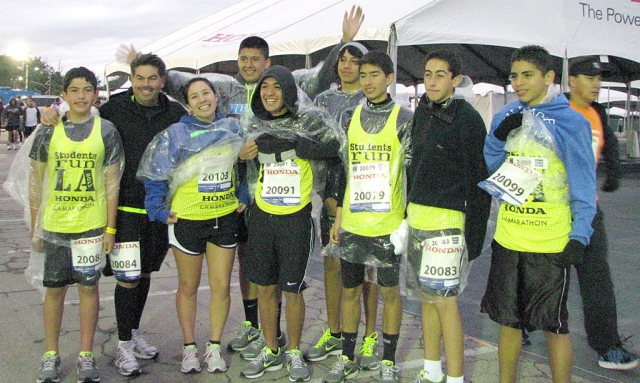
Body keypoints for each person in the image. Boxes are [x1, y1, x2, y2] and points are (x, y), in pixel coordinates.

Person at [42, 53, 187, 377]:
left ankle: (133, 333)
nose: (146, 84)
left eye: (153, 78)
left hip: (158, 208)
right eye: (140, 78)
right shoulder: (113, 109)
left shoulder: (175, 112)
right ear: (131, 79)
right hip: (123, 210)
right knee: (127, 278)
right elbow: (79, 114)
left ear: (162, 81)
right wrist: (53, 113)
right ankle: (122, 345)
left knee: (146, 273)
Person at [481, 45, 596, 383]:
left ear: (549, 77)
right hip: (509, 236)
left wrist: (580, 234)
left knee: (554, 326)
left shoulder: (571, 121)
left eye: (527, 75)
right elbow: (492, 166)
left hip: (551, 241)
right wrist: (498, 139)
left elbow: (583, 183)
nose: (518, 82)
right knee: (508, 322)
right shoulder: (506, 115)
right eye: (514, 75)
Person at [239, 65, 342, 381]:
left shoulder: (307, 122)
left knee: (292, 289)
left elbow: (335, 146)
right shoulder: (252, 125)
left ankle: (294, 352)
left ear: (288, 91)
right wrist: (241, 155)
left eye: (276, 87)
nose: (269, 92)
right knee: (266, 289)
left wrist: (299, 144)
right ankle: (271, 350)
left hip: (296, 219)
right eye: (264, 87)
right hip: (261, 217)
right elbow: (233, 160)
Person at [137, 77, 247, 374]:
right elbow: (156, 173)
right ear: (188, 104)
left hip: (224, 217)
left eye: (206, 93)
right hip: (188, 219)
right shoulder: (176, 133)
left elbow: (245, 166)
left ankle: (213, 346)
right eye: (195, 96)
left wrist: (244, 194)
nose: (202, 100)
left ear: (215, 96)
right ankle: (189, 348)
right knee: (188, 287)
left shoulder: (233, 127)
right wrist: (157, 208)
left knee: (222, 286)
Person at [28, 67, 124, 383]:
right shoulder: (48, 130)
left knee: (88, 288)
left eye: (87, 90)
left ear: (95, 94)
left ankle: (86, 356)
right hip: (54, 224)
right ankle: (51, 356)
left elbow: (112, 182)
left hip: (90, 225)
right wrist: (35, 226)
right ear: (65, 94)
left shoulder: (106, 130)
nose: (81, 96)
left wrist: (109, 228)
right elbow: (35, 179)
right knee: (53, 291)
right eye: (75, 90)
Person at [327, 50, 413, 383]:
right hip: (353, 224)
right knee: (349, 291)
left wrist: (408, 219)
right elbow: (343, 170)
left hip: (389, 225)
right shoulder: (350, 116)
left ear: (390, 78)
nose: (368, 82)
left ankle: (387, 360)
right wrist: (337, 217)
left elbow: (413, 170)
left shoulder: (404, 118)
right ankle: (347, 356)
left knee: (390, 292)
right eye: (363, 76)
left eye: (375, 75)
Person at [406, 51, 491, 383]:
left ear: (456, 81)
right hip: (417, 220)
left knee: (445, 304)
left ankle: (455, 378)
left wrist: (474, 237)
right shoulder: (421, 114)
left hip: (447, 226)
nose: (432, 81)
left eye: (440, 75)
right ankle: (431, 371)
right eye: (428, 74)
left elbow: (478, 181)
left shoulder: (467, 119)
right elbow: (415, 170)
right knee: (426, 301)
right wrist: (404, 218)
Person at [306, 39, 382, 365]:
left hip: (368, 199)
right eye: (343, 60)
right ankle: (335, 331)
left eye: (355, 61)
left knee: (368, 272)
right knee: (334, 265)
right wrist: (329, 195)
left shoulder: (373, 100)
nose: (348, 66)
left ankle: (369, 336)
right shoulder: (323, 101)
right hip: (331, 198)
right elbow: (315, 145)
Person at [566, 58, 638, 370]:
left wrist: (613, 174)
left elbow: (606, 145)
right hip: (552, 212)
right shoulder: (556, 110)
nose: (596, 84)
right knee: (541, 279)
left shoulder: (598, 113)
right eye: (589, 77)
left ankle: (608, 345)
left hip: (588, 210)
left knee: (598, 281)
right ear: (571, 80)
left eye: (599, 78)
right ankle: (522, 325)